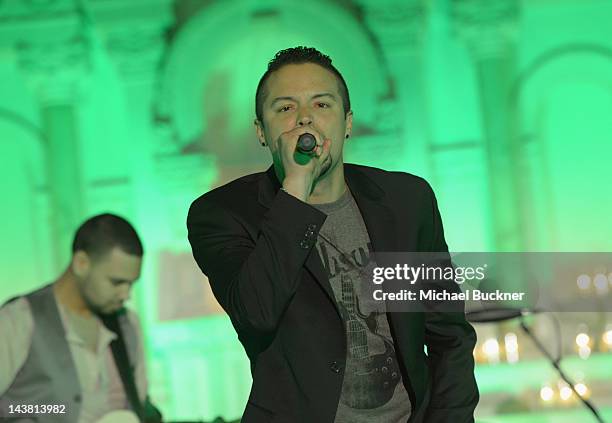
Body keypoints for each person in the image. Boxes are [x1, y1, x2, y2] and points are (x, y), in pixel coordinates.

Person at [187, 47, 479, 423]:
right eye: (285, 109)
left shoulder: (407, 202)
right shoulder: (222, 215)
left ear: (347, 122)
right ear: (262, 131)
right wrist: (296, 189)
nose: (305, 120)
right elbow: (256, 313)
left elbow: (448, 334)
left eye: (322, 105)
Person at [0, 213, 161, 423]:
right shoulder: (19, 319)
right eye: (116, 282)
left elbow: (138, 404)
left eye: (131, 284)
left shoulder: (128, 323)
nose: (126, 294)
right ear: (81, 263)